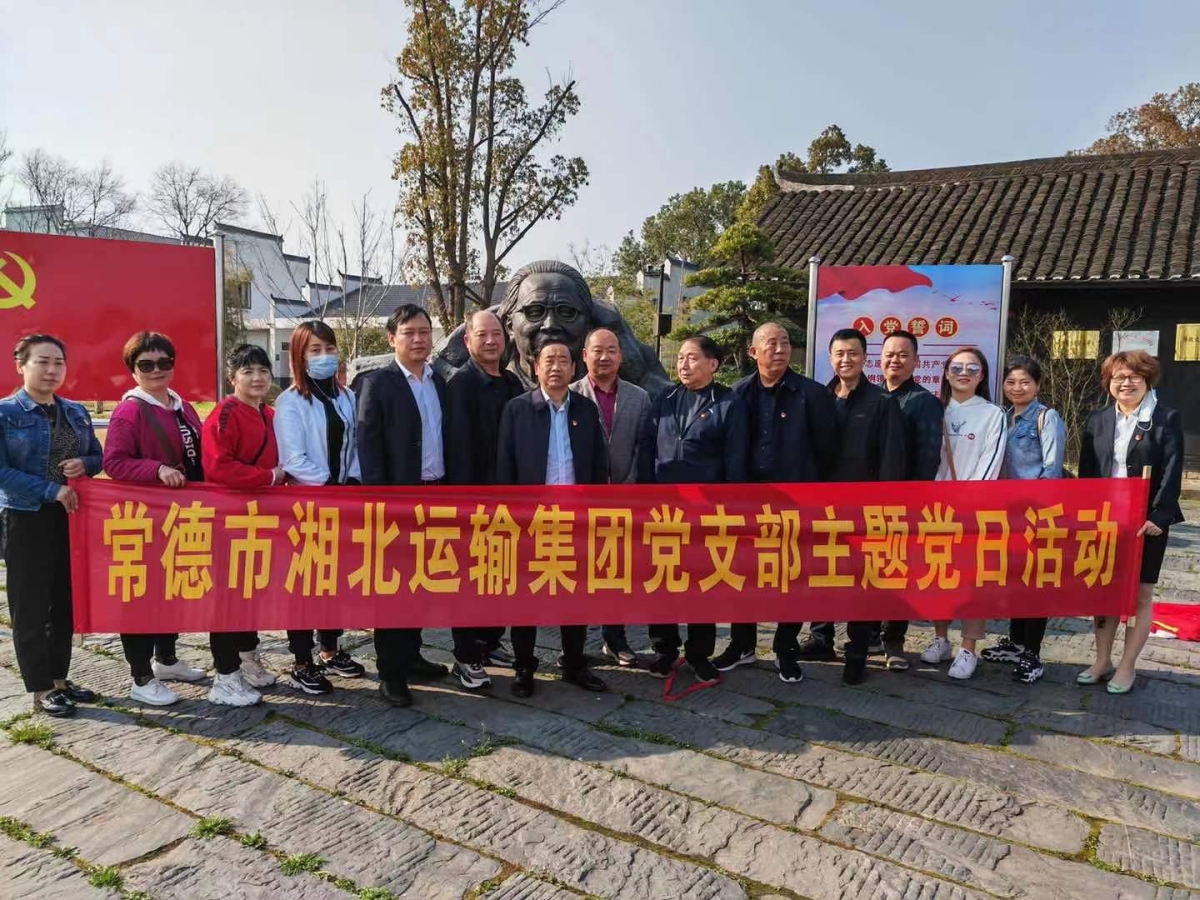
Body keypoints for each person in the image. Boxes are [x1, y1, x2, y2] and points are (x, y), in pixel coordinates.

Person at [713, 322, 837, 683]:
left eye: (784, 342)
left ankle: (786, 647)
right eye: (771, 343)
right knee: (743, 575)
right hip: (748, 503)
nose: (780, 349)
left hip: (795, 502)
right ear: (753, 352)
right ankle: (743, 644)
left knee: (792, 577)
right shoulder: (737, 394)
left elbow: (826, 450)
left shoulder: (812, 394)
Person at [497, 338, 610, 698]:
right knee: (526, 597)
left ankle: (574, 663)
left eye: (563, 360)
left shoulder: (585, 409)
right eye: (549, 360)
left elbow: (598, 465)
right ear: (535, 367)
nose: (556, 366)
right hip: (531, 520)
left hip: (575, 519)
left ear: (574, 368)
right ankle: (524, 667)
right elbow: (505, 468)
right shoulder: (518, 409)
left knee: (574, 594)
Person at [103, 331, 208, 706]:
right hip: (145, 519)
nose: (156, 370)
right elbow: (114, 462)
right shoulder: (130, 411)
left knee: (172, 590)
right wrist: (156, 469)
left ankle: (166, 659)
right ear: (132, 370)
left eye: (164, 362)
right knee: (142, 597)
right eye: (145, 364)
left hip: (181, 516)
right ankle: (141, 676)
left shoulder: (182, 406)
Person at [355, 304, 452, 707]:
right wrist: (383, 502)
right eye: (409, 332)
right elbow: (368, 447)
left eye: (424, 332)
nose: (418, 339)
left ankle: (411, 656)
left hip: (436, 494)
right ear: (392, 339)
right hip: (397, 499)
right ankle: (390, 673)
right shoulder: (378, 384)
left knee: (422, 582)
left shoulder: (438, 381)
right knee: (394, 586)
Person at [0, 335, 101, 717]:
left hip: (70, 517)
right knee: (30, 606)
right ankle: (40, 688)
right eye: (42, 361)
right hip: (25, 517)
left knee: (65, 602)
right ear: (20, 365)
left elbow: (97, 456)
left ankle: (59, 679)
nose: (51, 370)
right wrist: (51, 489)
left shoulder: (75, 411)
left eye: (58, 362)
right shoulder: (6, 413)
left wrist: (84, 465)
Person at [639, 336, 747, 686]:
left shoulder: (728, 403)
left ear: (712, 364)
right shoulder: (665, 399)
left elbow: (735, 462)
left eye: (692, 358)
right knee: (663, 580)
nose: (683, 365)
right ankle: (665, 649)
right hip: (664, 511)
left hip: (707, 513)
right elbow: (647, 449)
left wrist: (727, 512)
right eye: (681, 358)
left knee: (703, 583)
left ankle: (699, 653)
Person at [1077, 350, 1184, 695]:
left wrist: (1160, 515)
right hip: (1105, 518)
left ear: (1147, 380)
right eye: (1119, 377)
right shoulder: (1098, 419)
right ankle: (1102, 659)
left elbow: (1172, 470)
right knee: (1103, 589)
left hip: (1145, 520)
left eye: (1134, 376)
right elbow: (1088, 471)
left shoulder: (1165, 418)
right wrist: (1085, 513)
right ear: (1109, 383)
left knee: (1140, 592)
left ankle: (1127, 665)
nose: (1126, 383)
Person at [805, 328, 907, 685]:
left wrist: (885, 510)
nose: (845, 359)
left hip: (865, 510)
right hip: (822, 507)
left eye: (852, 353)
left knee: (862, 582)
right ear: (830, 358)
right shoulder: (818, 398)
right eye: (839, 353)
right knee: (822, 575)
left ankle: (857, 652)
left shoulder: (882, 402)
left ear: (864, 357)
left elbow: (892, 460)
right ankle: (820, 640)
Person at [274, 321, 368, 695]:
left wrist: (353, 481)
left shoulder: (346, 396)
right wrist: (329, 485)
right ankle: (302, 661)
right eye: (315, 350)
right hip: (307, 504)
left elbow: (355, 445)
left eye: (329, 348)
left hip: (342, 502)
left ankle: (330, 648)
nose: (324, 356)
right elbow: (292, 459)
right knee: (305, 585)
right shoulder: (290, 402)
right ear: (300, 356)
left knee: (335, 580)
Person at [200, 344, 288, 706]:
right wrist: (269, 477)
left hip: (259, 519)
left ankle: (248, 659)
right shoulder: (224, 415)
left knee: (250, 594)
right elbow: (219, 468)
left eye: (263, 371)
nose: (257, 378)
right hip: (229, 521)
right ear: (231, 377)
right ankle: (225, 677)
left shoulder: (270, 413)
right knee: (228, 599)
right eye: (247, 371)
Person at [444, 309, 524, 690]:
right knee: (469, 580)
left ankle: (490, 642)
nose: (491, 341)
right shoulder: (460, 385)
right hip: (475, 502)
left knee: (500, 575)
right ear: (467, 341)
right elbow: (458, 449)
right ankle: (465, 655)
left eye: (497, 334)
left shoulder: (511, 383)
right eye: (482, 335)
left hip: (509, 501)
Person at [919, 347, 1006, 680]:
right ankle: (940, 638)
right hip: (935, 510)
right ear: (946, 372)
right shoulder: (933, 409)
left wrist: (968, 503)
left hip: (973, 511)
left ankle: (968, 647)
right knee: (938, 575)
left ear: (982, 375)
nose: (964, 373)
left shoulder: (992, 414)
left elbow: (990, 462)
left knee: (972, 581)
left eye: (972, 368)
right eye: (957, 367)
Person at [979, 356, 1064, 684]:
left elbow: (1051, 470)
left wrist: (1037, 512)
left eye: (1025, 382)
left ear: (1038, 385)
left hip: (1035, 514)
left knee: (1036, 582)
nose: (1017, 388)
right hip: (1005, 513)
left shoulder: (1046, 417)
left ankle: (1032, 652)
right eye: (1011, 382)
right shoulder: (1001, 417)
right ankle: (1015, 642)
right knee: (1015, 577)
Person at [570, 326, 652, 667]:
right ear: (584, 355)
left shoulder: (639, 397)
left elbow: (643, 448)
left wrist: (626, 488)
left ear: (620, 356)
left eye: (611, 351)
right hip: (579, 501)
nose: (604, 357)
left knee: (617, 571)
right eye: (597, 350)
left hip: (623, 498)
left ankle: (615, 638)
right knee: (575, 572)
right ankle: (573, 646)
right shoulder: (569, 394)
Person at [877, 330, 945, 669]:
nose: (895, 360)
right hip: (869, 502)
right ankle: (869, 634)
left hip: (903, 503)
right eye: (889, 354)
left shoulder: (924, 402)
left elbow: (928, 457)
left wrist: (912, 503)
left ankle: (894, 641)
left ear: (917, 361)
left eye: (903, 355)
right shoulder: (872, 397)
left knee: (898, 572)